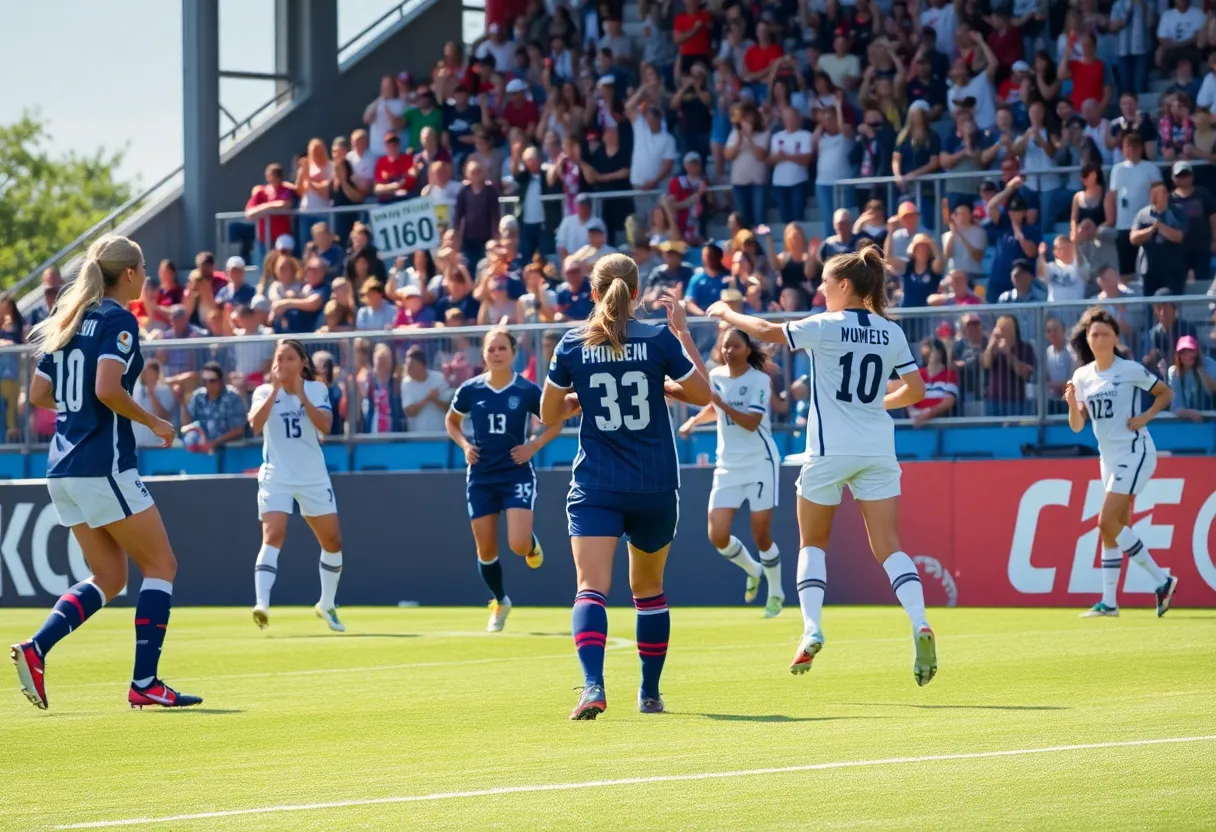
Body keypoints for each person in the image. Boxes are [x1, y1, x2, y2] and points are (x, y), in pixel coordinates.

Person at [706, 247, 936, 686]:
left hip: (829, 451)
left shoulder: (826, 325)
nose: (821, 289)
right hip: (878, 449)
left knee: (813, 543)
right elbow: (916, 389)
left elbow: (768, 330)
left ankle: (811, 628)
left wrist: (729, 314)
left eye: (826, 283)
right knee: (889, 545)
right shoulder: (890, 332)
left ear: (844, 286)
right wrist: (876, 404)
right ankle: (919, 621)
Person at [11, 235, 201, 711]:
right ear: (131, 274)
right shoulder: (118, 319)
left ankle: (36, 648)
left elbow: (38, 394)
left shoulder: (69, 319)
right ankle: (146, 682)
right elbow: (107, 388)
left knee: (109, 576)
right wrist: (154, 421)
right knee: (162, 566)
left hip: (63, 466)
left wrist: (76, 410)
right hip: (103, 463)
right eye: (144, 268)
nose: (148, 275)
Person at [539, 253, 713, 719]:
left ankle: (593, 685)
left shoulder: (571, 345)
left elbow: (549, 415)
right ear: (636, 294)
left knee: (590, 588)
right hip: (654, 484)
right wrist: (680, 336)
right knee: (649, 591)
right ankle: (650, 694)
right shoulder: (657, 339)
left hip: (597, 482)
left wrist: (579, 396)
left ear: (592, 293)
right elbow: (703, 395)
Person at [446, 329, 573, 632]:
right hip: (481, 476)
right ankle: (499, 600)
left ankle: (529, 543)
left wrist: (533, 446)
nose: (496, 354)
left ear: (513, 353)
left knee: (517, 544)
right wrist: (465, 445)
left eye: (502, 348)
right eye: (491, 349)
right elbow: (452, 421)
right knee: (486, 550)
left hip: (515, 472)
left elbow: (555, 422)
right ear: (484, 355)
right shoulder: (470, 390)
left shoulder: (527, 391)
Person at [1064, 307, 1179, 618]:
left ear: (1115, 337)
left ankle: (1164, 580)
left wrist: (1145, 416)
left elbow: (1165, 393)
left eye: (1103, 332)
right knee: (1113, 527)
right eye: (1092, 333)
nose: (1097, 337)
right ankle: (1110, 602)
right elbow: (1077, 425)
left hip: (1136, 452)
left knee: (1106, 522)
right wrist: (1072, 405)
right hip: (1108, 458)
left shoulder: (1128, 369)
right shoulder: (1082, 376)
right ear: (1087, 339)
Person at [678, 328, 784, 616]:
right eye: (725, 346)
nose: (728, 351)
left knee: (761, 535)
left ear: (747, 349)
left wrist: (720, 403)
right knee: (718, 534)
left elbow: (751, 422)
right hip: (727, 465)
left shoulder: (760, 380)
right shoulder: (716, 377)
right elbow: (715, 408)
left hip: (760, 462)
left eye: (735, 346)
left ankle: (776, 593)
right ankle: (753, 569)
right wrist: (694, 422)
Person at [247, 339, 347, 633]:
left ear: (302, 362)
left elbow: (326, 426)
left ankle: (326, 604)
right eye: (280, 358)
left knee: (332, 542)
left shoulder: (316, 390)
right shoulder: (264, 392)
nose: (283, 364)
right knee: (273, 535)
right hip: (276, 475)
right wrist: (277, 390)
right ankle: (262, 604)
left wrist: (301, 394)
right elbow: (255, 424)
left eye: (290, 358)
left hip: (313, 477)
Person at [1131, 181, 1188, 296]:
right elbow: (1133, 238)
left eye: (1158, 193)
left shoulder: (1178, 212)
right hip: (1149, 271)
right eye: (1152, 193)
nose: (1154, 197)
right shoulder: (1142, 214)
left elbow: (1179, 236)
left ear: (1166, 194)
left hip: (1172, 270)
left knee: (1172, 305)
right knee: (1150, 306)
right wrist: (1151, 230)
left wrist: (1161, 227)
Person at [1168, 334, 1216, 418]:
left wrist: (1202, 371)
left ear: (1197, 352)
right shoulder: (1174, 372)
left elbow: (1212, 390)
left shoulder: (1209, 364)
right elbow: (1176, 406)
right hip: (1186, 422)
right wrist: (1190, 414)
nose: (1187, 356)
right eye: (1183, 352)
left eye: (1191, 351)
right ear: (1178, 355)